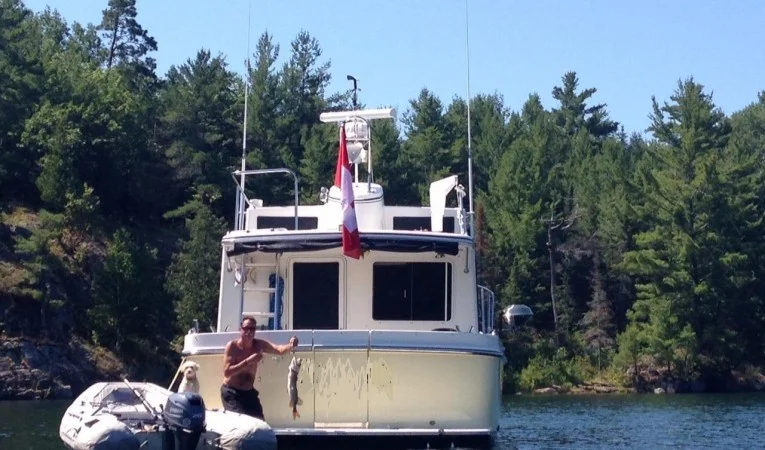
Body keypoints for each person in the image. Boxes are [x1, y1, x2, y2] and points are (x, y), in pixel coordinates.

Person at [220, 316, 298, 420]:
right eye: (245, 328)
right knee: (240, 424)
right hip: (231, 392)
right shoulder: (232, 346)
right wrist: (248, 361)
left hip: (248, 392)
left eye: (252, 329)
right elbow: (227, 372)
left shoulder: (259, 345)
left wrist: (291, 345)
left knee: (260, 424)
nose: (248, 332)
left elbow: (279, 350)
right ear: (240, 329)